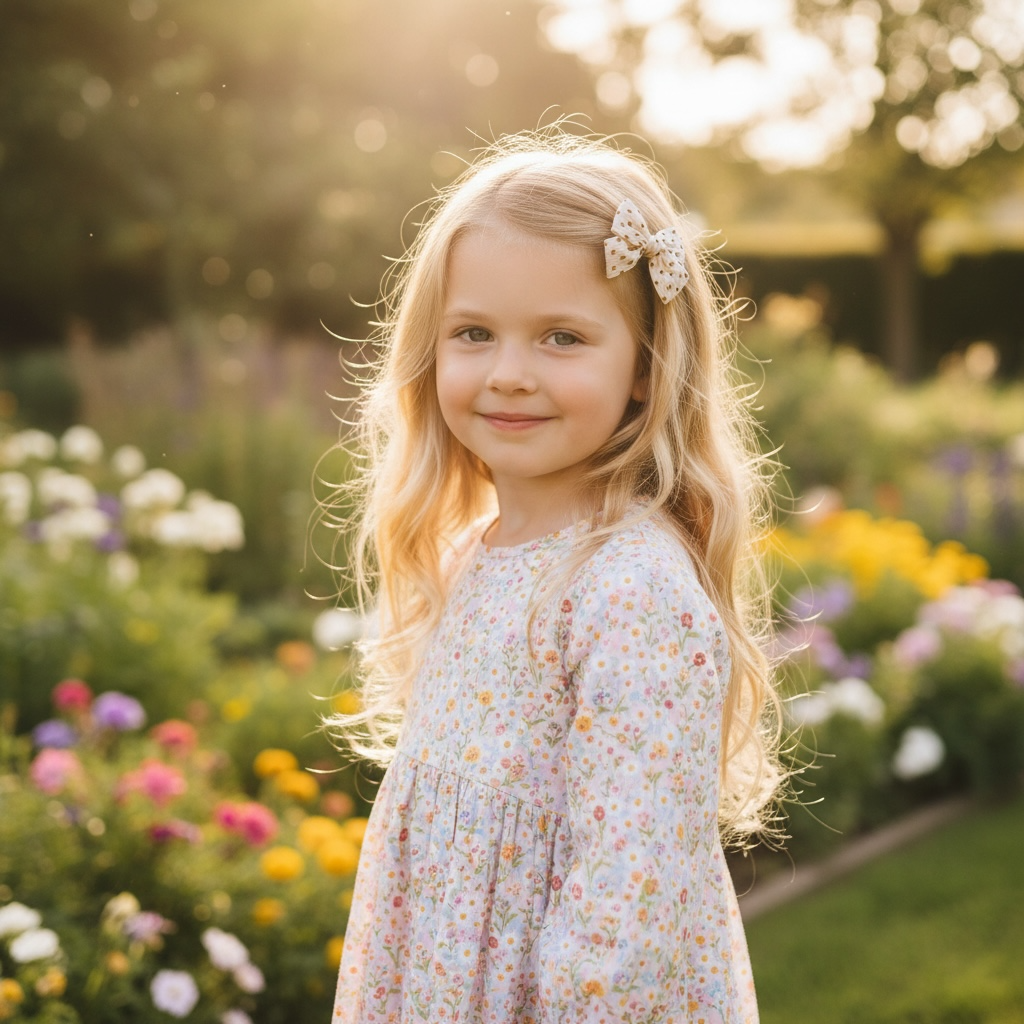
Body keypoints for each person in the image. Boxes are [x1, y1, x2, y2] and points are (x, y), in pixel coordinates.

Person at [325, 128, 782, 1023]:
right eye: (474, 333)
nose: (508, 375)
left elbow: (626, 905)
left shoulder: (627, 590)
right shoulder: (475, 555)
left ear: (647, 369)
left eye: (562, 337)